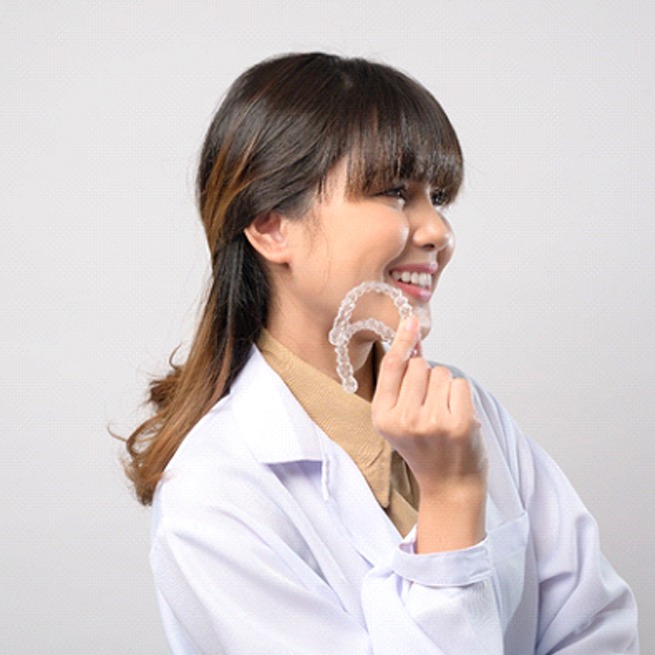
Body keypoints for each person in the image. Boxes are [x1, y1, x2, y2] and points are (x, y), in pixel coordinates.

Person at [124, 52, 639, 653]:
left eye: (437, 197)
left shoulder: (467, 412)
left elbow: (594, 627)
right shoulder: (213, 496)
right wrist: (450, 499)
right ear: (271, 227)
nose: (438, 232)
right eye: (396, 193)